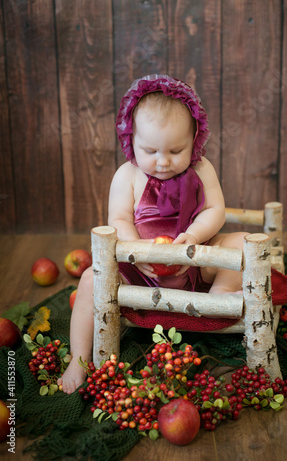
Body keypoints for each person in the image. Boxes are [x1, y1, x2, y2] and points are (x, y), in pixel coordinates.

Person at [58, 74, 247, 394]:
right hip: (139, 269)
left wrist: (194, 235)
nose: (162, 161)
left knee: (241, 242)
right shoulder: (127, 175)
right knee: (91, 278)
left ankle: (219, 297)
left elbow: (216, 210)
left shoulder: (202, 169)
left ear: (195, 140)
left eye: (176, 150)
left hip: (195, 263)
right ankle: (78, 358)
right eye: (150, 150)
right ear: (130, 140)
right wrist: (138, 250)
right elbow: (118, 218)